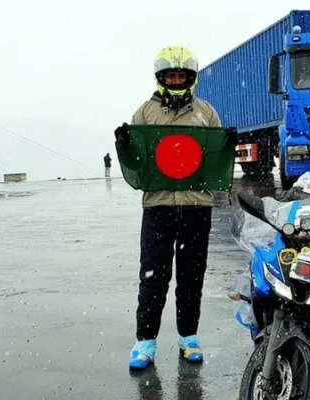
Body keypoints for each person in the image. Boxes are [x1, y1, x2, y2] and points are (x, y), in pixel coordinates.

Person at [114, 45, 237, 370]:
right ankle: (145, 343)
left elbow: (215, 163)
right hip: (158, 207)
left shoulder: (206, 113)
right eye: (171, 75)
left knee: (191, 276)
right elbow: (139, 167)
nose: (176, 79)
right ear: (161, 77)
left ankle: (189, 338)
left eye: (181, 75)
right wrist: (125, 147)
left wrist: (226, 146)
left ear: (191, 77)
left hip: (197, 207)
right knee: (153, 277)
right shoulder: (145, 114)